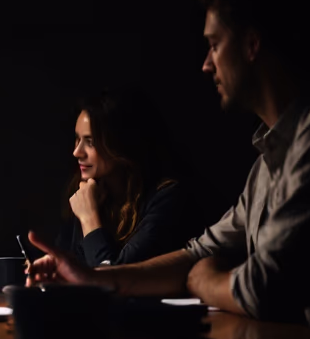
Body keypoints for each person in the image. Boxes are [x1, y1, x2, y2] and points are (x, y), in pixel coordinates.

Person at [28, 0, 310, 339]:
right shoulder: (267, 161)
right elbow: (197, 251)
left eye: (214, 45)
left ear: (251, 44)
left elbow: (262, 286)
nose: (205, 63)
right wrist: (91, 278)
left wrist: (204, 279)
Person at [55, 86, 203, 267]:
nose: (76, 152)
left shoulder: (167, 198)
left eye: (90, 142)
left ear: (120, 144)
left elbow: (114, 280)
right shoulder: (88, 191)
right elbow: (70, 270)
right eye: (77, 139)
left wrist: (89, 217)